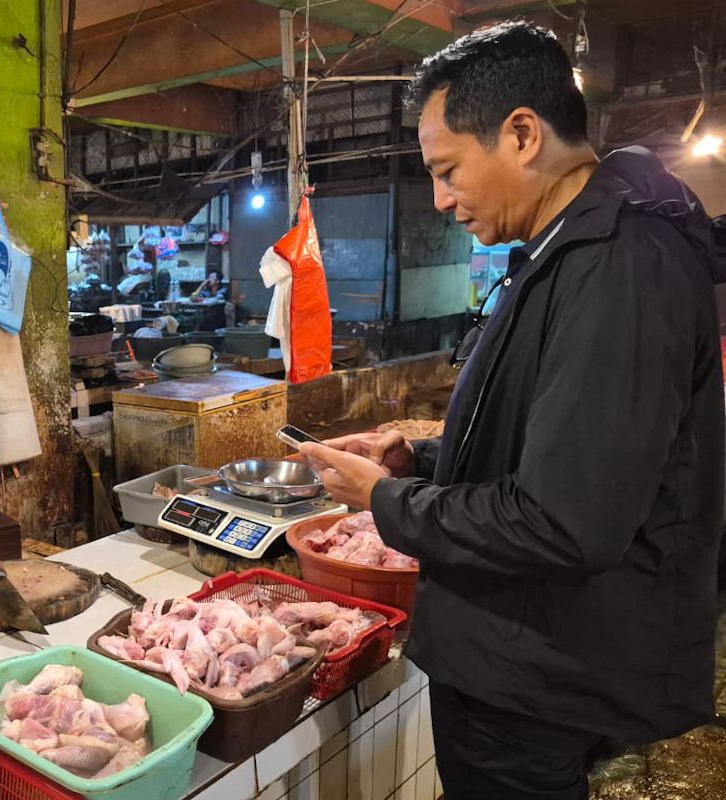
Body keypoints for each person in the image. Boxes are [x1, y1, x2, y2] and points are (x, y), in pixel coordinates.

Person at [298, 21, 724, 800]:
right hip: (529, 656)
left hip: (538, 675)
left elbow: (566, 521)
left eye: (448, 169)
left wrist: (384, 499)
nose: (441, 198)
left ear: (522, 134)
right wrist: (418, 458)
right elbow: (557, 442)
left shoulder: (619, 265)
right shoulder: (571, 245)